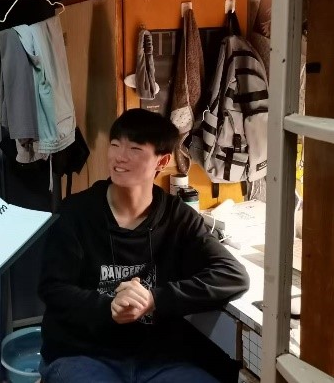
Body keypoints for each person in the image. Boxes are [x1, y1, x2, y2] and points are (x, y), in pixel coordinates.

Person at [38, 109, 249, 382]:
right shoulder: (77, 213)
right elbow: (54, 289)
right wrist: (108, 307)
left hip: (159, 357)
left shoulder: (178, 217)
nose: (119, 157)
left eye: (135, 149)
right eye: (115, 145)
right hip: (84, 354)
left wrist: (153, 299)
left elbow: (232, 275)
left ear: (162, 161)